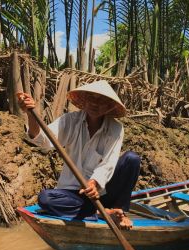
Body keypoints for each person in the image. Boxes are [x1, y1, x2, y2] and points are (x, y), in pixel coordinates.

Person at [17, 80, 140, 230]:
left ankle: (119, 210)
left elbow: (108, 163)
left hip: (103, 192)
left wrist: (94, 183)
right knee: (45, 199)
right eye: (92, 98)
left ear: (109, 106)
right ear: (84, 100)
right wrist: (31, 113)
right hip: (74, 196)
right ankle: (102, 213)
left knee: (132, 159)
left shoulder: (115, 128)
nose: (95, 103)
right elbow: (42, 140)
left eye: (101, 100)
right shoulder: (69, 121)